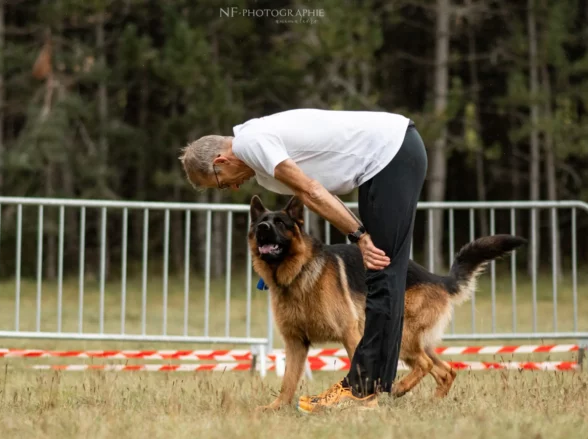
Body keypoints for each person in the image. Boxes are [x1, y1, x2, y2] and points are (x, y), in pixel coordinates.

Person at [179, 109, 427, 414]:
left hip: (393, 150)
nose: (232, 187)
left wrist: (359, 235)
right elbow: (313, 195)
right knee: (383, 269)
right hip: (383, 160)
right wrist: (357, 232)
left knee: (381, 267)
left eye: (221, 183)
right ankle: (375, 385)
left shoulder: (252, 143)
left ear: (221, 162)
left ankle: (363, 388)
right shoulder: (262, 168)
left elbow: (311, 191)